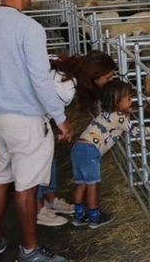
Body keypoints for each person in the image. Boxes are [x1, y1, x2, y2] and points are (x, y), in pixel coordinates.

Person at [0, 0, 73, 262]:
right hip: (25, 118)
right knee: (26, 186)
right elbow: (40, 79)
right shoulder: (30, 28)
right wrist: (60, 117)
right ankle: (29, 250)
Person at [35, 51, 117, 226]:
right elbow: (45, 106)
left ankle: (49, 198)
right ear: (95, 75)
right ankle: (38, 209)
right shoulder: (66, 89)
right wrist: (61, 124)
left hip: (31, 114)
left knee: (47, 156)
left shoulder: (67, 72)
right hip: (28, 117)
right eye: (108, 77)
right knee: (36, 161)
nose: (109, 81)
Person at [71, 80, 150, 229]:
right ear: (117, 102)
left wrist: (126, 111)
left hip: (78, 148)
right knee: (92, 186)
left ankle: (78, 216)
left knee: (81, 184)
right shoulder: (119, 118)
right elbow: (137, 132)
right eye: (128, 99)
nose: (131, 101)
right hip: (90, 151)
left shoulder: (107, 114)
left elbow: (119, 121)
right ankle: (94, 218)